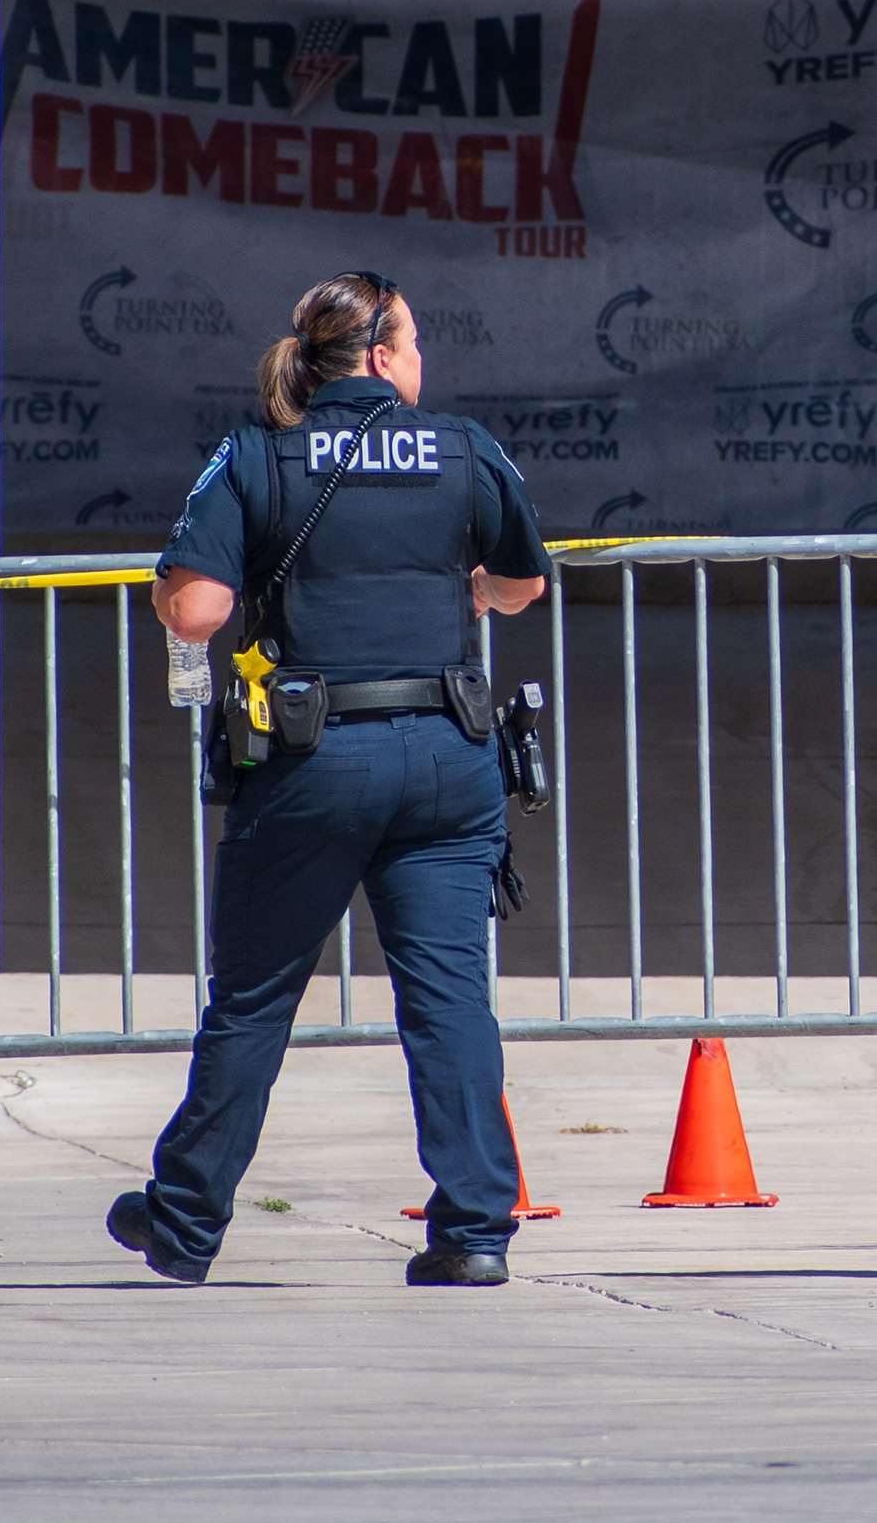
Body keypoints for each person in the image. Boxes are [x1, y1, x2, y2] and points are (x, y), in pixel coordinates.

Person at [110, 271, 552, 1289]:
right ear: (387, 357)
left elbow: (200, 613)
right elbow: (522, 583)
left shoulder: (260, 454)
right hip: (450, 756)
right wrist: (458, 592)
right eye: (418, 345)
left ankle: (185, 1218)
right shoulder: (463, 449)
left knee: (257, 995)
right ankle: (477, 1226)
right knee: (449, 999)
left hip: (316, 760)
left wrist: (169, 583)